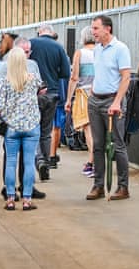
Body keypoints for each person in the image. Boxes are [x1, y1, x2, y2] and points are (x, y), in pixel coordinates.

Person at [86, 15, 132, 201]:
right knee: (97, 145)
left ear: (108, 29)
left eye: (96, 28)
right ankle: (98, 186)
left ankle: (123, 187)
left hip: (112, 100)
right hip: (95, 100)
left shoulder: (120, 49)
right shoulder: (97, 49)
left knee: (117, 145)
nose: (93, 32)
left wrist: (117, 102)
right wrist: (92, 91)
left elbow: (126, 77)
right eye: (93, 28)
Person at [0, 47, 42, 211]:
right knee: (29, 162)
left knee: (11, 162)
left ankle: (10, 199)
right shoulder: (33, 79)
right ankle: (27, 199)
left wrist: (2, 114)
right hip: (32, 126)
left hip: (12, 127)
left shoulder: (4, 82)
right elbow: (40, 91)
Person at [29, 24, 71, 180]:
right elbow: (66, 73)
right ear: (52, 33)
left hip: (33, 93)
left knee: (33, 128)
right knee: (46, 131)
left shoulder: (31, 44)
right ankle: (45, 161)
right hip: (52, 92)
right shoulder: (59, 47)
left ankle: (37, 159)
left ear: (40, 32)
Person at [65, 25, 95, 177]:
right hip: (102, 93)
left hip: (85, 93)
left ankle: (93, 163)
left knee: (88, 130)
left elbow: (74, 77)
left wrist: (68, 99)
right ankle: (93, 162)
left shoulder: (80, 53)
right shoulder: (102, 51)